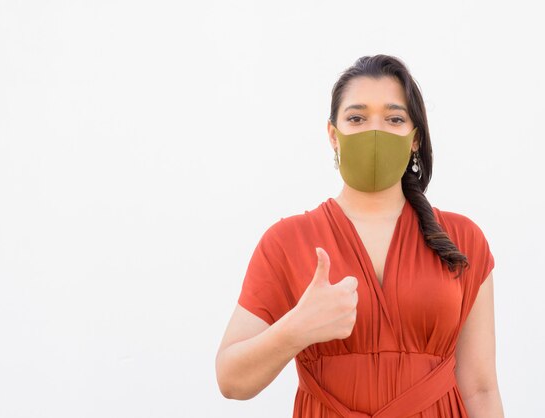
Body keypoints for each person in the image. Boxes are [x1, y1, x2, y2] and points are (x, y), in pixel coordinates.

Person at [215, 54, 504, 418]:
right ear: (333, 135)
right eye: (356, 118)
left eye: (395, 119)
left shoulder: (464, 239)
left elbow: (480, 388)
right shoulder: (286, 242)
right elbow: (231, 380)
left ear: (415, 139)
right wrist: (296, 329)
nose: (375, 131)